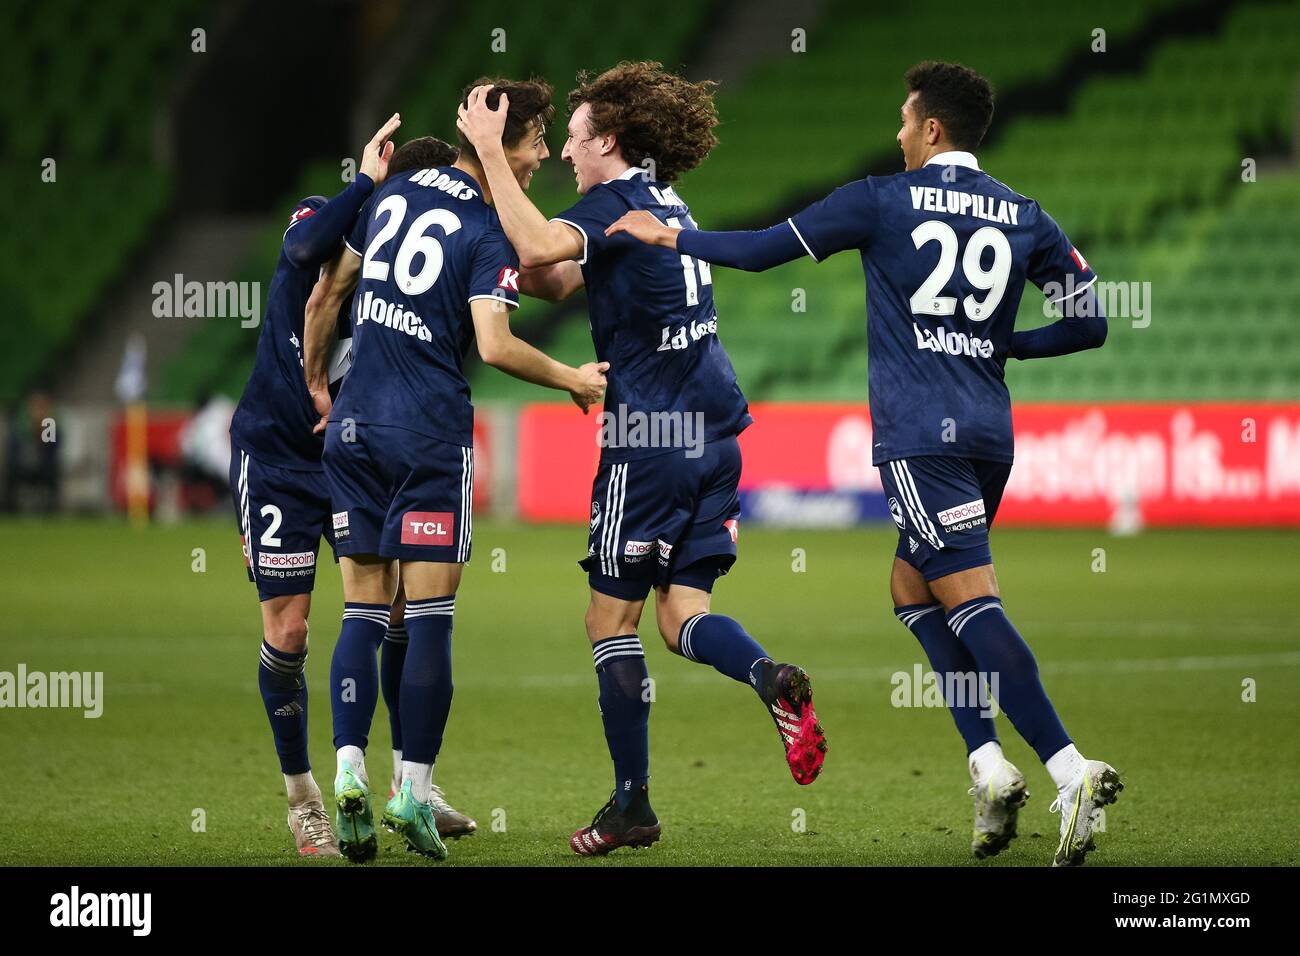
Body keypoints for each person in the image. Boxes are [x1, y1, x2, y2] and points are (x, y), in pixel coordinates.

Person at [606, 61, 1118, 866]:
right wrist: (1008, 342)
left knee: (972, 597)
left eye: (906, 121)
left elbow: (764, 248)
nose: (899, 134)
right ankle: (987, 769)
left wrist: (669, 234)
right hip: (989, 434)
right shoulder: (1025, 214)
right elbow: (1091, 323)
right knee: (913, 588)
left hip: (921, 438)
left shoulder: (883, 199)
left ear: (933, 130)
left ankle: (1067, 767)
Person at [457, 62, 827, 858]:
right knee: (679, 614)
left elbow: (538, 239)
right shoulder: (664, 203)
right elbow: (553, 275)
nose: (565, 155)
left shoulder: (614, 199)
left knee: (608, 620)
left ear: (610, 143)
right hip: (718, 436)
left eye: (578, 138)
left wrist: (489, 151)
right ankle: (768, 677)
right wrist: (483, 249)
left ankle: (632, 805)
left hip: (652, 442)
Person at [303, 76, 608, 862]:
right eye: (538, 139)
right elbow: (498, 345)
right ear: (504, 142)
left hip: (356, 427)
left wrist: (318, 386)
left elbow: (327, 293)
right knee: (431, 620)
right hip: (428, 436)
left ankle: (347, 772)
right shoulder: (487, 230)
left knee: (363, 614)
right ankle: (411, 788)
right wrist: (574, 377)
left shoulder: (393, 196)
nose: (543, 155)